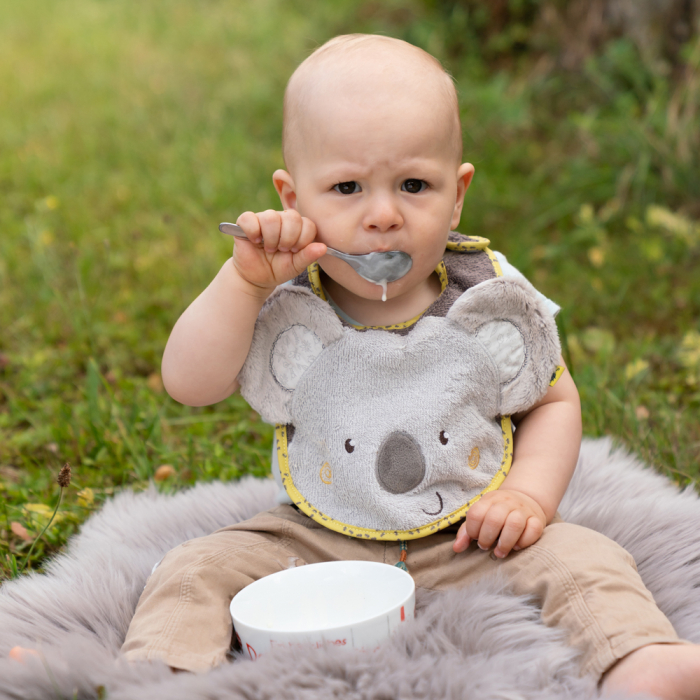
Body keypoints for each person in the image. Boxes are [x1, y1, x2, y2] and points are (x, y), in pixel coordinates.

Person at [13, 33, 697, 698]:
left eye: (413, 184)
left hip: (467, 531)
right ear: (292, 199)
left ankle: (640, 663)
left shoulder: (484, 291)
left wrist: (528, 497)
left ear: (457, 194)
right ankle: (159, 675)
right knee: (197, 565)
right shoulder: (281, 295)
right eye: (345, 187)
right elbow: (189, 385)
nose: (381, 215)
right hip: (316, 538)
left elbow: (552, 400)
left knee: (587, 558)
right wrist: (241, 283)